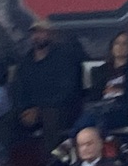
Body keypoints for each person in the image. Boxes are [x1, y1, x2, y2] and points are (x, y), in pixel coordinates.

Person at [9, 17, 85, 150]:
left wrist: (39, 109)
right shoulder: (25, 62)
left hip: (62, 109)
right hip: (32, 111)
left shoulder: (65, 58)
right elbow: (18, 90)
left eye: (41, 32)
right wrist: (25, 110)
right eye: (34, 33)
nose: (37, 36)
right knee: (9, 119)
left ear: (51, 34)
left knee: (50, 116)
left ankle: (51, 164)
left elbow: (68, 91)